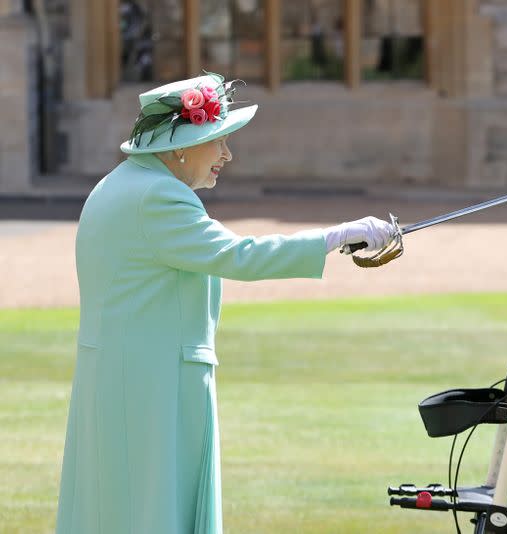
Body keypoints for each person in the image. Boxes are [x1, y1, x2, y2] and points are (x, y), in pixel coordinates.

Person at [55, 72, 394, 534]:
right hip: (152, 385)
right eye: (217, 140)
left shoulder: (121, 183)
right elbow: (239, 255)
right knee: (152, 511)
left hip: (125, 377)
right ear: (181, 145)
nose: (226, 154)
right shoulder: (158, 196)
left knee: (117, 507)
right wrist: (335, 237)